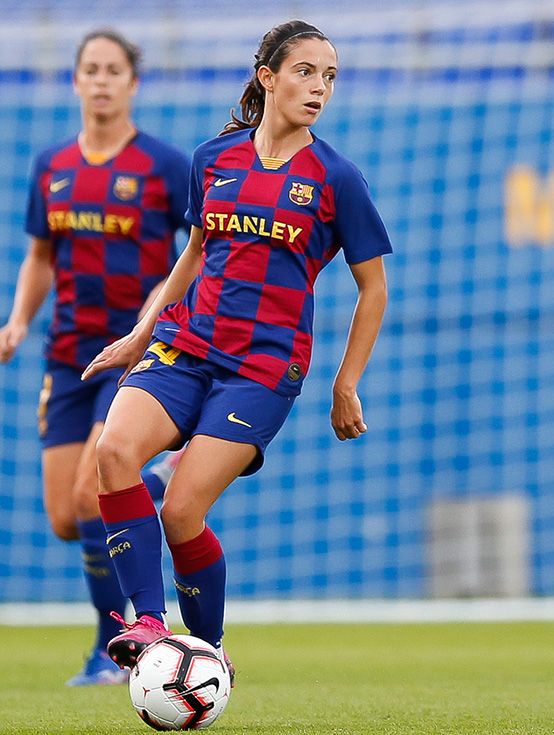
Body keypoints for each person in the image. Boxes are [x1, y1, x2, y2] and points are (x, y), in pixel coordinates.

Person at [81, 20, 392, 677]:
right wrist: (142, 335)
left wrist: (346, 382)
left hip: (261, 369)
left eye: (330, 76)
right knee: (112, 450)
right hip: (185, 344)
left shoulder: (336, 177)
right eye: (306, 71)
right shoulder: (213, 159)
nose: (320, 87)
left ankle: (208, 653)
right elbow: (193, 254)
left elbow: (374, 289)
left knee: (184, 509)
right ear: (268, 76)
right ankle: (146, 621)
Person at [0, 28, 191, 685]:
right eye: (91, 69)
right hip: (68, 355)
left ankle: (112, 649)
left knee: (91, 489)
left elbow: (194, 256)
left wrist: (153, 316)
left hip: (135, 351)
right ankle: (152, 479)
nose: (102, 80)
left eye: (114, 70)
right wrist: (19, 319)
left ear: (133, 83)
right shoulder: (52, 166)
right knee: (66, 515)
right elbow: (41, 256)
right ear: (75, 81)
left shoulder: (163, 165)